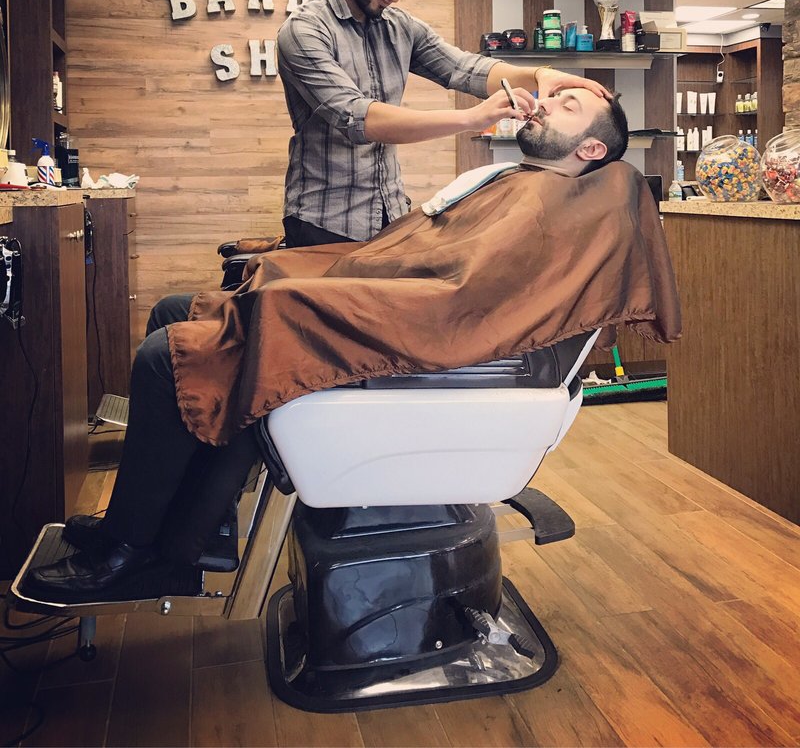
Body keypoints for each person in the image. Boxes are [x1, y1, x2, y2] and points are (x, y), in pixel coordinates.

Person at [25, 88, 680, 603]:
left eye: (568, 106)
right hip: (412, 304)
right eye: (553, 95)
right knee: (177, 310)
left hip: (436, 334)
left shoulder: (567, 206)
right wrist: (340, 275)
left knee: (166, 353)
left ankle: (139, 554)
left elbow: (468, 297)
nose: (547, 103)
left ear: (591, 149)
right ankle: (183, 521)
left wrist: (330, 288)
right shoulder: (517, 182)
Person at [277, 0, 612, 247]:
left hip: (389, 212)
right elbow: (358, 118)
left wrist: (540, 75)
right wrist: (471, 118)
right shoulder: (304, 32)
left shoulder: (399, 27)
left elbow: (464, 68)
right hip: (324, 220)